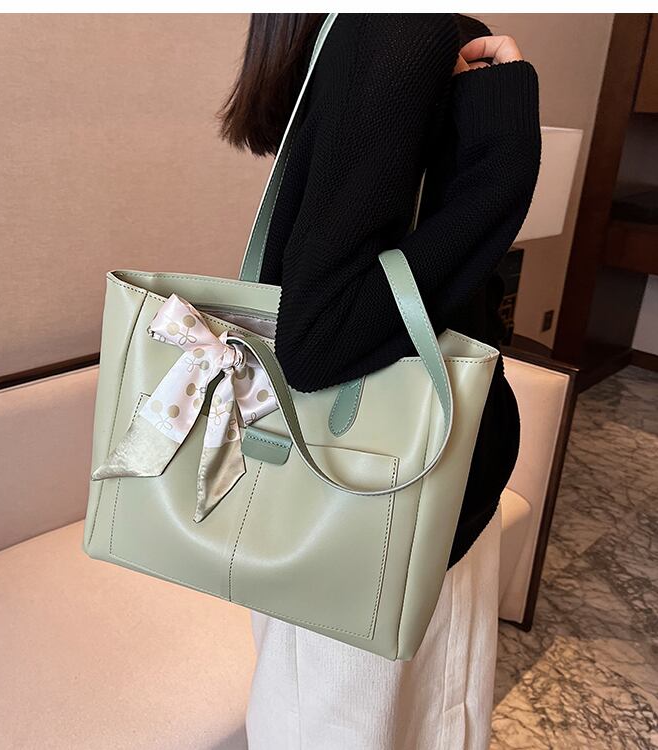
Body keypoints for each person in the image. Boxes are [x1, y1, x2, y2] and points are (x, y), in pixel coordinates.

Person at [218, 13, 541, 749]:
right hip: (389, 499)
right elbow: (321, 337)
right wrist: (502, 160)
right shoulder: (397, 30)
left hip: (367, 493)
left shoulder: (376, 32)